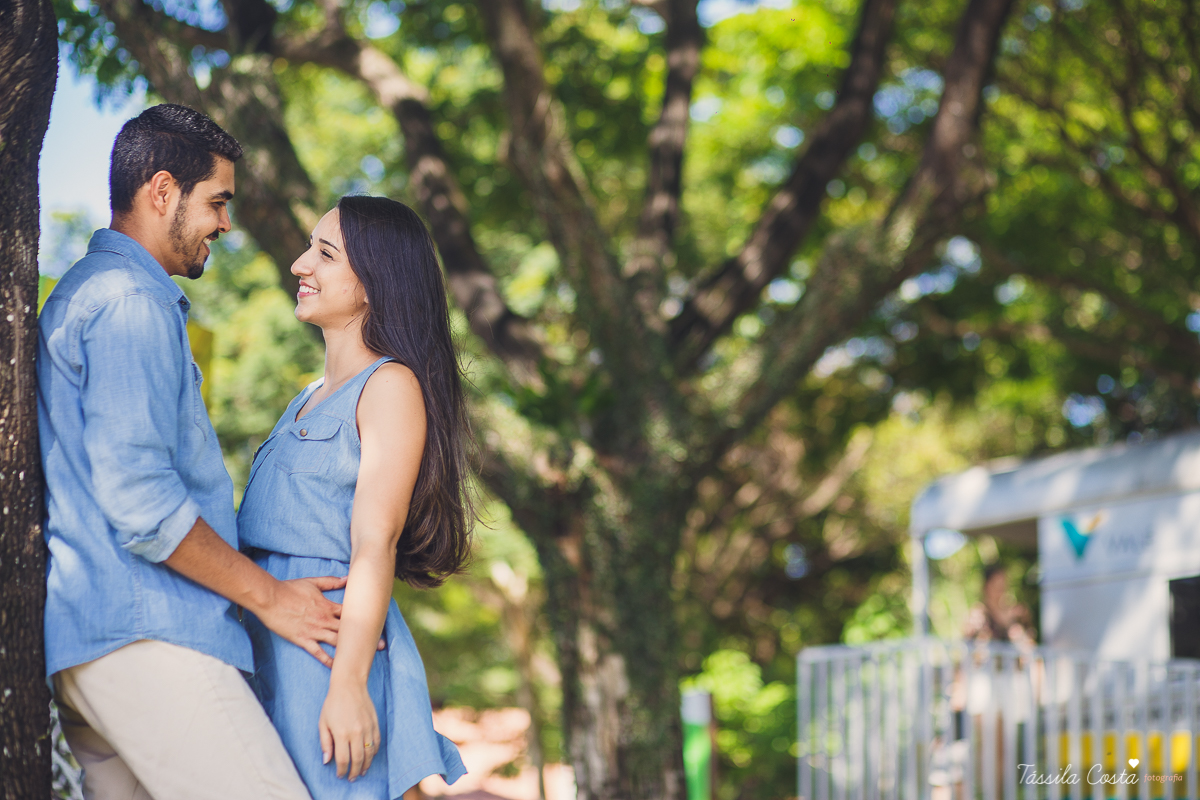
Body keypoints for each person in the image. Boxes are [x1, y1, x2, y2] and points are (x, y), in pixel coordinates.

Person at [38, 104, 348, 800]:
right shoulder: (129, 302)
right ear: (162, 191)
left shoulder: (89, 293)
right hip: (150, 636)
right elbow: (142, 502)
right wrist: (273, 599)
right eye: (217, 201)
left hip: (97, 641)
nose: (225, 224)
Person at [237, 195, 471, 798]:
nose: (299, 264)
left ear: (373, 282)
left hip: (327, 652)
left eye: (325, 253)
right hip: (268, 639)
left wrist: (349, 684)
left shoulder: (388, 385)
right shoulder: (306, 396)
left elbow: (374, 543)